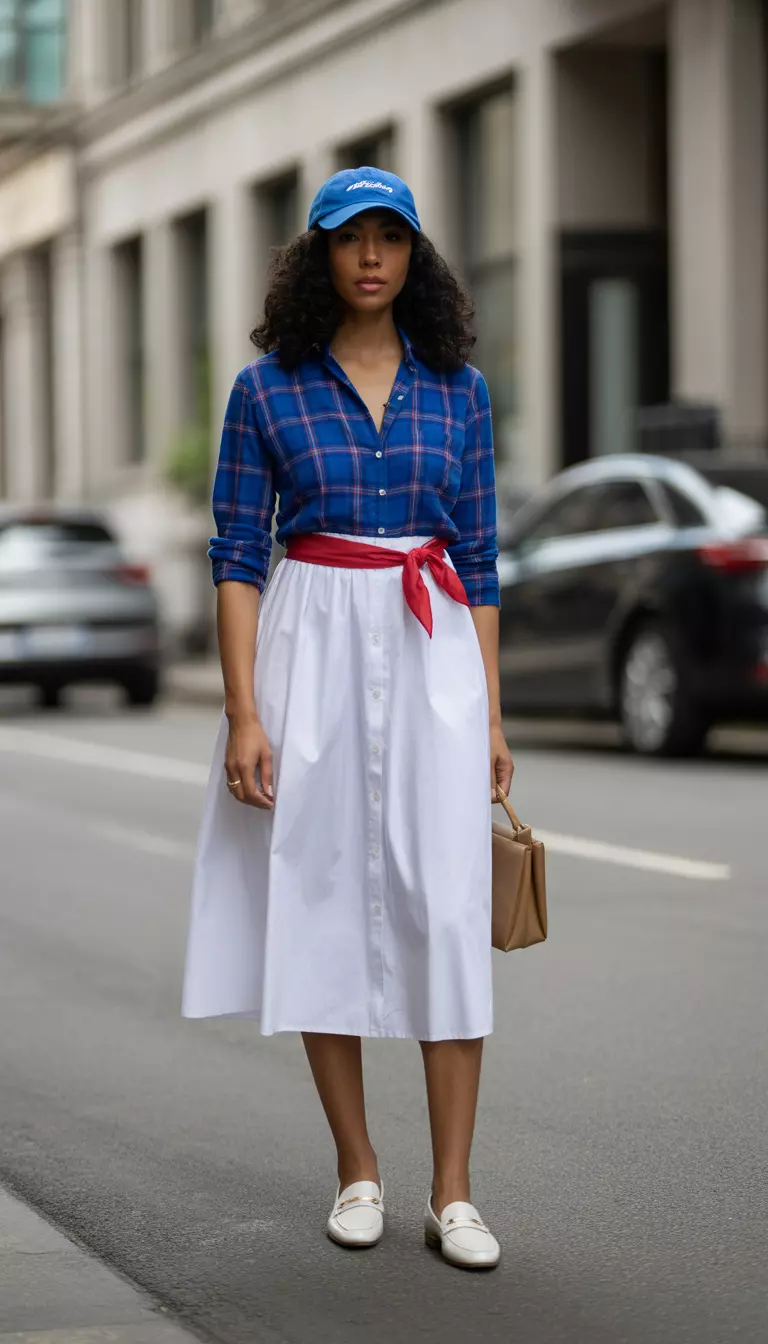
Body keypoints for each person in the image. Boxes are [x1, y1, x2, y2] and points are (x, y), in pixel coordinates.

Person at [182, 166, 514, 1271]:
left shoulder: (459, 390)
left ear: (417, 257)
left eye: (391, 238)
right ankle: (357, 1170)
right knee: (321, 895)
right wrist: (243, 714)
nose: (371, 256)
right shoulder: (265, 390)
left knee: (447, 907)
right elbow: (236, 556)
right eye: (348, 238)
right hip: (308, 643)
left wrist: (494, 719)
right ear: (316, 256)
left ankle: (454, 1193)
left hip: (432, 653)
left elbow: (479, 560)